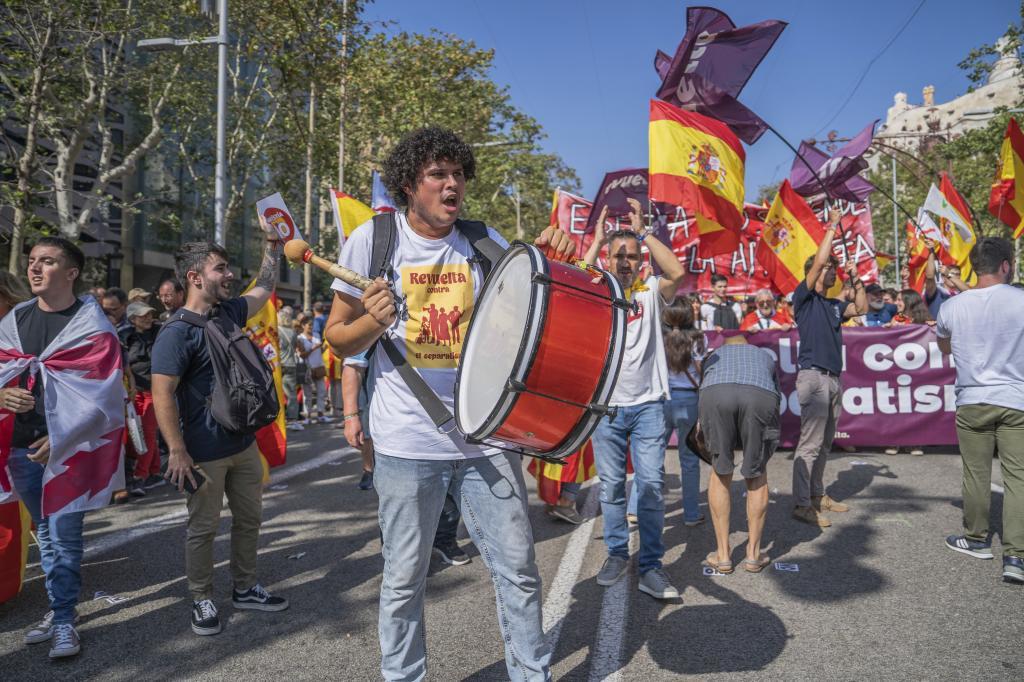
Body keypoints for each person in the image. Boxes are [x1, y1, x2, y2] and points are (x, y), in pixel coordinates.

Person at [325, 126, 575, 680]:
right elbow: (338, 337)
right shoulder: (373, 241)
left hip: (485, 439)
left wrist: (545, 265)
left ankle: (531, 675)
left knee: (518, 570)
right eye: (437, 174)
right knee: (404, 577)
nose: (451, 183)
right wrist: (373, 321)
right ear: (410, 185)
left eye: (458, 173)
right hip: (406, 443)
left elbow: (526, 325)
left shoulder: (485, 242)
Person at [151, 236, 289, 637]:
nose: (229, 275)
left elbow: (263, 288)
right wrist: (177, 451)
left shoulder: (228, 312)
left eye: (228, 267)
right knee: (204, 528)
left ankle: (245, 588)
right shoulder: (176, 333)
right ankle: (201, 597)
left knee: (250, 520)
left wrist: (272, 246)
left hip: (243, 444)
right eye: (220, 269)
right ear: (194, 277)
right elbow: (162, 395)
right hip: (203, 452)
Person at [0, 237, 124, 659]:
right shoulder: (15, 319)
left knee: (65, 537)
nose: (35, 268)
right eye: (32, 261)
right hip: (20, 449)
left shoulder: (92, 325)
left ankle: (66, 619)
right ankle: (58, 610)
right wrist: (2, 397)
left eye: (47, 262)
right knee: (45, 535)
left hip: (69, 451)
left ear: (70, 273)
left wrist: (60, 438)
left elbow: (105, 398)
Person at [583, 196, 686, 600]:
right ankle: (615, 554)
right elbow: (574, 275)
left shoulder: (649, 293)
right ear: (608, 260)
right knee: (610, 487)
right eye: (617, 255)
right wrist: (596, 240)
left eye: (632, 256)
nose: (625, 262)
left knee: (651, 487)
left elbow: (676, 270)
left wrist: (643, 233)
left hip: (647, 408)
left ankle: (651, 567)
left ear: (641, 261)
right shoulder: (596, 293)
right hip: (605, 408)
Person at [935, 237, 1024, 584]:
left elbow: (944, 347)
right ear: (1005, 265)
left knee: (976, 473)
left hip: (973, 400)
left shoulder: (952, 307)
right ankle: (1016, 556)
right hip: (1016, 399)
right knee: (1018, 478)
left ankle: (976, 539)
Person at [790, 208, 867, 527]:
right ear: (816, 273)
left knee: (823, 444)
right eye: (830, 270)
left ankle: (818, 494)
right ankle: (801, 503)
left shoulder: (836, 306)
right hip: (813, 376)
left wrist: (856, 279)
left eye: (837, 271)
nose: (834, 274)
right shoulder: (803, 298)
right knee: (809, 444)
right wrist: (833, 226)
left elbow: (862, 307)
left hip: (833, 379)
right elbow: (820, 262)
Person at [698, 333, 781, 573]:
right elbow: (777, 398)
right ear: (748, 345)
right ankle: (753, 555)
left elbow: (702, 389)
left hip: (716, 393)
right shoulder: (763, 356)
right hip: (759, 394)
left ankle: (723, 555)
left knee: (720, 470)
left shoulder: (713, 356)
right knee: (756, 473)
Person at [661, 300, 706, 527]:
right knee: (689, 460)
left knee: (650, 457)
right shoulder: (697, 338)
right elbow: (699, 369)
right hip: (688, 399)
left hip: (662, 399)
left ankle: (636, 511)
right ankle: (690, 514)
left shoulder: (660, 337)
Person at [120, 301, 165, 495]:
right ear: (132, 319)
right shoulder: (125, 336)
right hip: (134, 391)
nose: (147, 318)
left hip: (158, 391)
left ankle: (140, 476)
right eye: (142, 315)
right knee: (136, 433)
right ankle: (155, 471)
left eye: (148, 314)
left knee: (146, 432)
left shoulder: (161, 331)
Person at [341, 353, 375, 490]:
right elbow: (352, 364)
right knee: (365, 428)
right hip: (365, 380)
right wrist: (350, 416)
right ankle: (368, 470)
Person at [297, 316, 330, 423]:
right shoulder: (300, 338)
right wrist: (313, 348)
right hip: (307, 369)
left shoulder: (316, 335)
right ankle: (308, 416)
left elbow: (319, 351)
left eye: (312, 325)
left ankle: (320, 414)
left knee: (321, 391)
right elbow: (302, 355)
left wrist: (324, 347)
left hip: (318, 367)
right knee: (307, 394)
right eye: (309, 325)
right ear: (303, 326)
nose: (311, 327)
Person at [277, 307, 303, 431]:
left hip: (278, 364)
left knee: (277, 392)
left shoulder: (276, 330)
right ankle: (293, 419)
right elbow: (297, 346)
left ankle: (278, 418)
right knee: (291, 393)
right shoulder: (292, 332)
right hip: (291, 364)